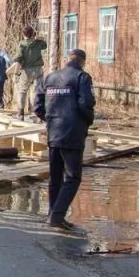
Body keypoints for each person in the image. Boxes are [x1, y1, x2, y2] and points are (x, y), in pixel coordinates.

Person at [34, 49, 95, 231]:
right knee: (73, 177)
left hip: (54, 132)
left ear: (67, 60)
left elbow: (37, 105)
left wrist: (51, 119)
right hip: (73, 133)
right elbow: (86, 103)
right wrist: (87, 120)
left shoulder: (49, 78)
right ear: (82, 61)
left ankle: (53, 214)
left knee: (55, 177)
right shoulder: (82, 77)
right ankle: (57, 215)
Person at [14, 25, 47, 120]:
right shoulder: (38, 43)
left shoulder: (22, 44)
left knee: (22, 91)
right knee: (37, 91)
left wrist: (16, 73)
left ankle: (20, 113)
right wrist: (38, 37)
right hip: (38, 69)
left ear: (23, 34)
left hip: (26, 70)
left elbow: (18, 59)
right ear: (33, 33)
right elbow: (45, 45)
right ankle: (37, 114)